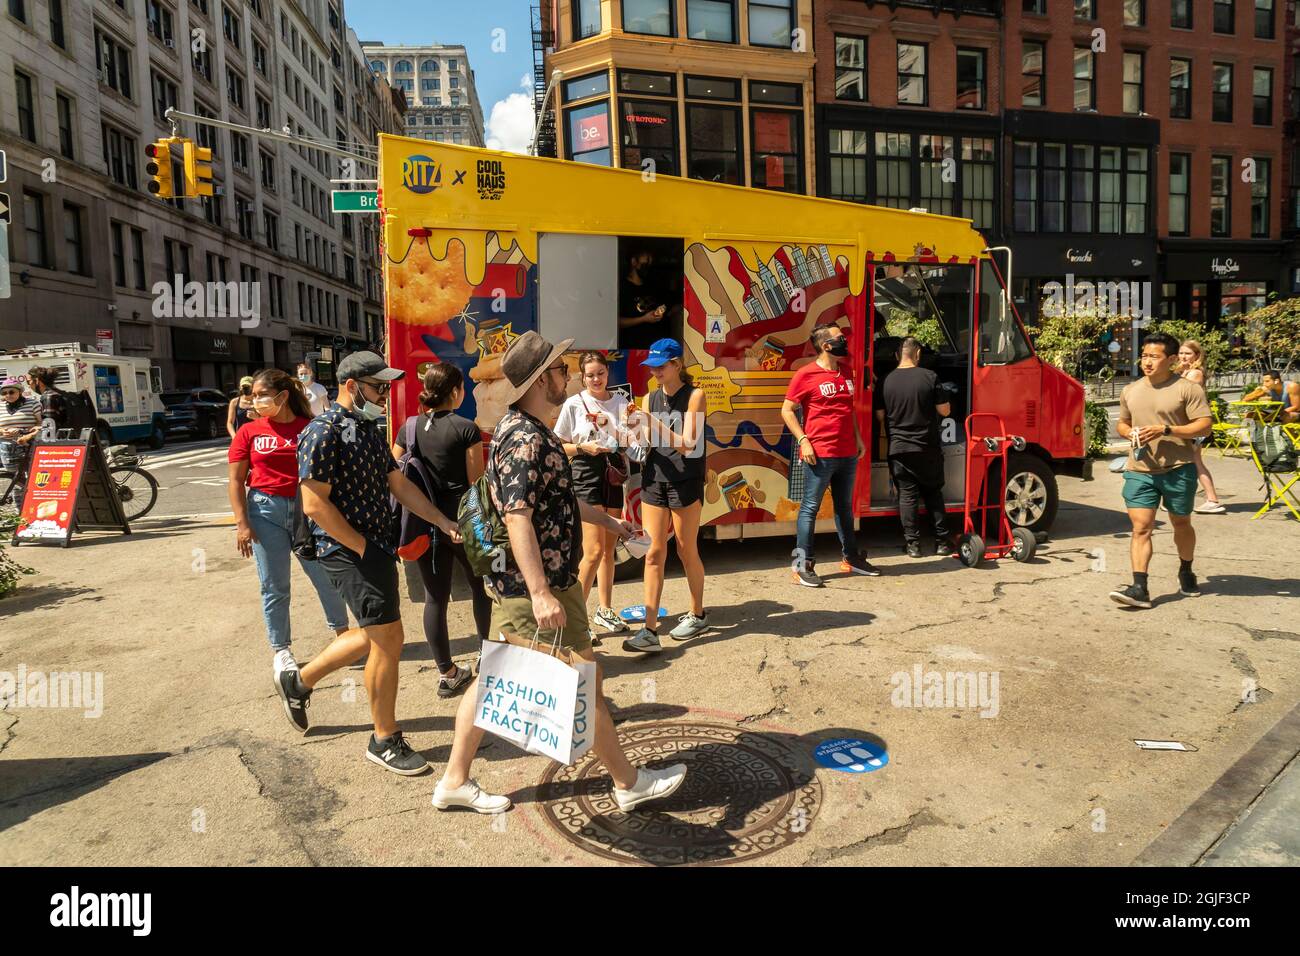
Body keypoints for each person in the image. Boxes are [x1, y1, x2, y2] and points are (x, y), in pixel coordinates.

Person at [431, 330, 686, 814]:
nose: (567, 376)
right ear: (538, 380)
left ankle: (455, 780)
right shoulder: (527, 440)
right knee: (581, 683)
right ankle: (628, 782)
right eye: (559, 369)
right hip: (535, 589)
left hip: (539, 585)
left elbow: (559, 499)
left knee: (522, 681)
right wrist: (540, 592)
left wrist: (610, 523)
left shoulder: (529, 429)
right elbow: (517, 516)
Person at [280, 351, 464, 775]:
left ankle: (298, 681)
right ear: (351, 386)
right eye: (378, 387)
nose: (385, 394)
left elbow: (398, 483)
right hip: (347, 550)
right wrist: (361, 547)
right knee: (388, 638)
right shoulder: (322, 431)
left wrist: (441, 520)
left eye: (386, 387)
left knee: (373, 635)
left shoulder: (365, 429)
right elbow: (314, 504)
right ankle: (383, 739)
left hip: (375, 547)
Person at [228, 369, 352, 678]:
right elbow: (235, 480)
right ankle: (281, 650)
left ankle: (343, 635)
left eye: (262, 395)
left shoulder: (310, 427)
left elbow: (330, 471)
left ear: (283, 396)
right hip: (264, 511)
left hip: (307, 510)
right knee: (274, 585)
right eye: (253, 396)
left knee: (325, 576)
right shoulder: (249, 432)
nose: (256, 401)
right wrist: (242, 524)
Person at [391, 363, 487, 699]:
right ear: (456, 391)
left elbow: (394, 474)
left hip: (424, 523)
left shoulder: (409, 427)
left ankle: (447, 674)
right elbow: (476, 484)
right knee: (481, 590)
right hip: (463, 523)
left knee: (435, 598)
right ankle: (486, 657)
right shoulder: (467, 428)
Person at [1109, 332, 1213, 610]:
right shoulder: (1131, 390)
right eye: (1144, 356)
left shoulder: (1187, 389)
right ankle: (1139, 587)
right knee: (1141, 528)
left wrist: (1165, 429)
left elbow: (1204, 426)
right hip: (1140, 469)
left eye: (1154, 357)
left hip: (1178, 468)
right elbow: (1122, 423)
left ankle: (1186, 569)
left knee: (1181, 523)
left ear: (1171, 359)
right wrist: (1128, 432)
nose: (1147, 362)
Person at [621, 338, 711, 652]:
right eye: (652, 367)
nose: (656, 372)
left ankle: (698, 614)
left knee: (686, 550)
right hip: (654, 479)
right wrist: (631, 428)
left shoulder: (695, 396)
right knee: (653, 552)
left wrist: (652, 422)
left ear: (677, 365)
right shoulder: (648, 398)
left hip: (685, 479)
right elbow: (645, 440)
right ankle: (649, 630)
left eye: (661, 366)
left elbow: (687, 444)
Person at [781, 322, 877, 586]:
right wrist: (804, 440)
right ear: (825, 345)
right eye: (839, 338)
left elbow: (849, 410)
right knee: (810, 508)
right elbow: (787, 410)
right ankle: (802, 565)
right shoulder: (805, 374)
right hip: (820, 454)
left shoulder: (846, 372)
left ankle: (851, 558)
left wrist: (858, 438)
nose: (844, 341)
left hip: (847, 452)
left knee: (844, 507)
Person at [554, 351, 631, 643]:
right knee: (594, 551)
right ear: (582, 377)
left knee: (610, 549)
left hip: (613, 471)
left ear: (608, 372)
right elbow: (559, 445)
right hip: (585, 472)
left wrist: (624, 435)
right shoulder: (573, 404)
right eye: (590, 375)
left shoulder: (622, 402)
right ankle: (578, 621)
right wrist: (583, 447)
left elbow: (633, 440)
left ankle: (605, 610)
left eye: (600, 373)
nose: (596, 379)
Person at [879, 337, 953, 559]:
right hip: (927, 447)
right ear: (918, 354)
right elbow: (945, 411)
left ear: (897, 355)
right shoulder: (930, 377)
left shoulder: (885, 380)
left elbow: (880, 416)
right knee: (933, 493)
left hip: (899, 448)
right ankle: (942, 543)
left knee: (907, 496)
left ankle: (913, 546)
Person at [1175, 340, 1226, 515]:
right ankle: (1177, 498)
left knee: (1195, 461)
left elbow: (1179, 393)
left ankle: (1212, 500)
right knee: (1187, 460)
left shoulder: (1195, 374)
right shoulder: (1184, 371)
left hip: (1195, 424)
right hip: (1187, 423)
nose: (1183, 357)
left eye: (1187, 353)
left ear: (1197, 355)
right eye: (1181, 353)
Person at [619, 248, 670, 350]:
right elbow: (617, 322)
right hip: (631, 348)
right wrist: (643, 319)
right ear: (634, 262)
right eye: (645, 263)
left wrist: (660, 311)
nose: (648, 267)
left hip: (655, 348)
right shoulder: (622, 287)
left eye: (650, 263)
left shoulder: (653, 285)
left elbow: (665, 305)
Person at [0, 378, 41, 504]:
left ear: (20, 391)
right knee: (16, 482)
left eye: (11, 392)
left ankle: (35, 508)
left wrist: (26, 433)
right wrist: (2, 431)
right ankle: (20, 512)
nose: (8, 395)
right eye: (4, 393)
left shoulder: (33, 404)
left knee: (36, 479)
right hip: (7, 448)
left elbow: (42, 424)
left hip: (29, 445)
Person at [26, 367, 69, 436]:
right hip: (73, 438)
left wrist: (29, 436)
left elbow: (49, 426)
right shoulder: (62, 393)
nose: (29, 386)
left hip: (59, 440)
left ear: (37, 381)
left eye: (28, 382)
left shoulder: (48, 397)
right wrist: (40, 427)